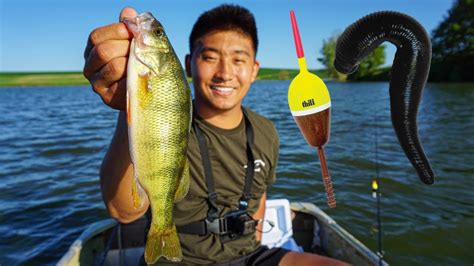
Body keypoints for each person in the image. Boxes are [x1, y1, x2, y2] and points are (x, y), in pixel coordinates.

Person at [84, 4, 349, 266]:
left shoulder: (266, 131)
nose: (224, 73)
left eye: (238, 59)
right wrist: (129, 107)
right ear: (188, 64)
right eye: (209, 57)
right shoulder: (169, 120)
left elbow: (259, 200)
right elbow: (123, 211)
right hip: (183, 260)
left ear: (254, 69)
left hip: (250, 255)